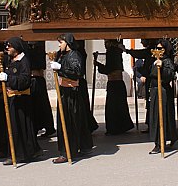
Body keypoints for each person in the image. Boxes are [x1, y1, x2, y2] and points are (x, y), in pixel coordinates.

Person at [50, 33, 94, 163]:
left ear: (67, 43)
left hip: (72, 94)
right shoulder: (63, 55)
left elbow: (77, 73)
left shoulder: (74, 55)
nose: (59, 45)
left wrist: (61, 68)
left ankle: (68, 152)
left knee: (70, 123)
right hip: (64, 92)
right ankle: (74, 148)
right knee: (68, 122)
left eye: (61, 42)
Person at [0, 38, 42, 165]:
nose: (7, 48)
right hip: (13, 99)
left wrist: (9, 79)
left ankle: (20, 154)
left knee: (20, 127)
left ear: (17, 48)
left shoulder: (24, 62)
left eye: (10, 46)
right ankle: (15, 152)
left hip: (21, 99)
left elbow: (24, 80)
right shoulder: (11, 60)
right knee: (13, 127)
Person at [95, 39, 134, 135]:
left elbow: (109, 69)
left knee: (113, 108)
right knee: (119, 106)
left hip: (114, 83)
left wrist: (98, 64)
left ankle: (115, 128)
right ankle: (122, 126)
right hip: (117, 83)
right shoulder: (116, 52)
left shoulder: (112, 52)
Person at [147, 39, 178, 154]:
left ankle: (161, 143)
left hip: (163, 91)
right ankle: (158, 141)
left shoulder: (167, 61)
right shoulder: (155, 61)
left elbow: (170, 75)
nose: (158, 50)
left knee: (163, 116)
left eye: (160, 48)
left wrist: (162, 68)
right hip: (155, 91)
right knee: (155, 116)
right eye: (157, 48)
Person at [27, 41, 55, 137]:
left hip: (36, 80)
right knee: (37, 105)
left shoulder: (37, 50)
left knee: (41, 104)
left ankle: (47, 127)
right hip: (35, 79)